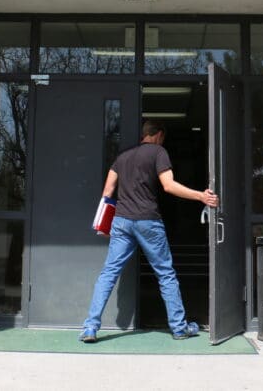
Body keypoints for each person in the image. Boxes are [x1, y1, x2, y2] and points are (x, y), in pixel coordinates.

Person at [79, 119, 219, 343]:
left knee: (109, 273)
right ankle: (179, 328)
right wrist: (201, 196)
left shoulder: (122, 157)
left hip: (122, 221)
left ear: (144, 134)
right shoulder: (158, 152)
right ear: (159, 135)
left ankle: (90, 328)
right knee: (165, 273)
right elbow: (169, 185)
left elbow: (108, 191)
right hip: (147, 221)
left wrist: (104, 224)